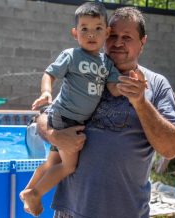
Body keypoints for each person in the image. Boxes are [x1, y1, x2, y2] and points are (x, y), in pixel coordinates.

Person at [36, 6, 175, 218]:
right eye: (112, 35)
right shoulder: (86, 71)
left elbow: (171, 149)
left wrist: (140, 102)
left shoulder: (157, 85)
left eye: (127, 37)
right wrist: (54, 135)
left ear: (142, 42)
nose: (117, 43)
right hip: (70, 211)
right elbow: (42, 117)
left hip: (124, 212)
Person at [20, 2, 121, 217]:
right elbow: (50, 73)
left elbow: (113, 88)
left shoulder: (107, 64)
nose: (91, 34)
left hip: (73, 120)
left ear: (107, 32)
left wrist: (130, 86)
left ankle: (28, 189)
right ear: (75, 33)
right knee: (68, 167)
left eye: (97, 28)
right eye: (84, 28)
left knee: (52, 162)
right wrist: (46, 92)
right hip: (65, 117)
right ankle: (35, 194)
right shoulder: (72, 55)